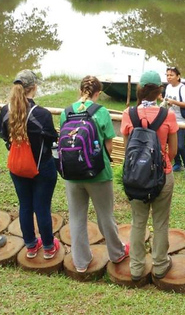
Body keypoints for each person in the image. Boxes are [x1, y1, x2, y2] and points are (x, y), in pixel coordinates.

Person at [61, 75, 128, 273]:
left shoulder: (66, 112)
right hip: (98, 173)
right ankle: (116, 253)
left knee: (76, 216)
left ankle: (81, 262)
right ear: (97, 93)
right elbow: (108, 144)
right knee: (105, 215)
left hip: (72, 173)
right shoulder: (101, 112)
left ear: (81, 90)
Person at [121, 70, 178, 280]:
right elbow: (172, 151)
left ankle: (136, 267)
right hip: (162, 175)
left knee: (138, 221)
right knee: (160, 222)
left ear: (140, 89)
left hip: (136, 177)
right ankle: (161, 265)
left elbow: (128, 150)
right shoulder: (167, 115)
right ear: (159, 91)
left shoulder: (129, 114)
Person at [0, 70, 59, 259]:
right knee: (42, 207)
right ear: (33, 88)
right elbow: (51, 138)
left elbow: (3, 135)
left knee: (25, 205)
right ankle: (49, 248)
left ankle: (31, 247)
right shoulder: (41, 114)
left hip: (17, 168)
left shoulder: (4, 111)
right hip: (42, 168)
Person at [164, 66, 185, 180]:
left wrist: (174, 102)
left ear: (178, 76)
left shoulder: (182, 88)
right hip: (170, 119)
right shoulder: (168, 87)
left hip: (181, 120)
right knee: (171, 144)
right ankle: (177, 163)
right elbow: (167, 101)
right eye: (167, 75)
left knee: (180, 146)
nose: (169, 77)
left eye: (171, 75)